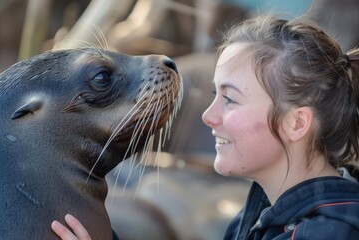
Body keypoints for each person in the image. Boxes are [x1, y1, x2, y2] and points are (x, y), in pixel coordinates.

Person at [51, 14, 359, 240]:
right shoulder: (266, 206)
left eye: (230, 100)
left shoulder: (326, 233)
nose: (208, 116)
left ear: (296, 123)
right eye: (215, 95)